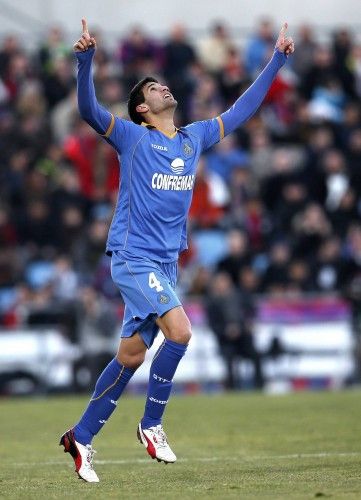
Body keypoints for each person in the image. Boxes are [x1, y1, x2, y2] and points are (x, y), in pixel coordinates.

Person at [59, 18, 294, 483]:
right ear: (143, 109)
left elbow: (243, 108)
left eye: (161, 83)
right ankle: (151, 425)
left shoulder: (194, 137)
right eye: (153, 88)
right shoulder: (132, 137)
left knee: (129, 356)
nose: (163, 88)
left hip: (166, 263)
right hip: (133, 257)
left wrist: (277, 61)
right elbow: (88, 110)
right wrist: (84, 62)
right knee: (182, 332)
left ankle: (80, 436)